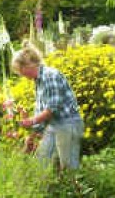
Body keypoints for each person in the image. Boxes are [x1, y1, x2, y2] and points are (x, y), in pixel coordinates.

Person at [12, 42, 83, 170]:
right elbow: (43, 112)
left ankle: (74, 188)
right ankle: (45, 188)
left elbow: (52, 109)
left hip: (67, 123)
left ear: (29, 64)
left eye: (21, 70)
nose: (22, 75)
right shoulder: (38, 80)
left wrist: (31, 121)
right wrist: (32, 135)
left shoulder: (49, 76)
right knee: (41, 162)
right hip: (54, 124)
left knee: (69, 167)